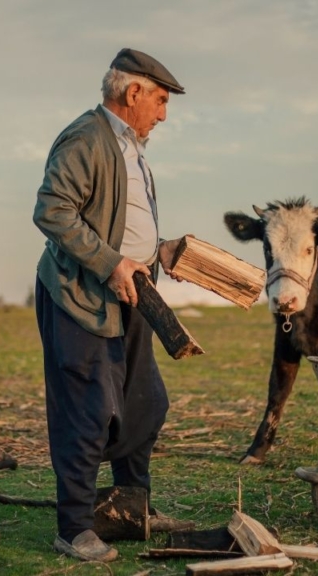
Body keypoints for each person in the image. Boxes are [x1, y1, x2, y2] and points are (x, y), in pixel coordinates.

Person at [32, 48, 193, 562]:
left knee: (145, 405)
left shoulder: (131, 146)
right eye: (161, 101)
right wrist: (113, 263)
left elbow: (120, 218)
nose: (163, 114)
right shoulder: (87, 137)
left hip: (132, 295)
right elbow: (53, 211)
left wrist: (157, 249)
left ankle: (132, 508)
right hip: (84, 297)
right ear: (134, 93)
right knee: (88, 411)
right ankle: (74, 528)